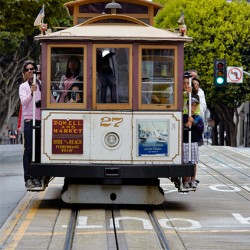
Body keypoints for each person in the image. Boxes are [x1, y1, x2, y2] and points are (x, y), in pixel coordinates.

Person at [19, 60, 42, 188]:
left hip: (40, 119)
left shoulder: (41, 84)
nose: (30, 71)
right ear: (24, 72)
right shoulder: (23, 86)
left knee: (38, 149)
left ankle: (37, 176)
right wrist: (32, 93)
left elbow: (49, 99)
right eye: (27, 69)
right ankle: (27, 178)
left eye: (32, 69)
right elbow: (24, 102)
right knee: (28, 149)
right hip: (29, 120)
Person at [182, 97, 204, 189]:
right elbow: (180, 128)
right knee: (186, 162)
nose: (193, 107)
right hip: (185, 142)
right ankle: (186, 180)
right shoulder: (184, 117)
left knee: (194, 162)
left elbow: (201, 129)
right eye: (192, 105)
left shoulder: (198, 118)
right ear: (187, 106)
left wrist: (193, 122)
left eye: (195, 105)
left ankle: (193, 180)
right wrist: (185, 125)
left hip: (194, 142)